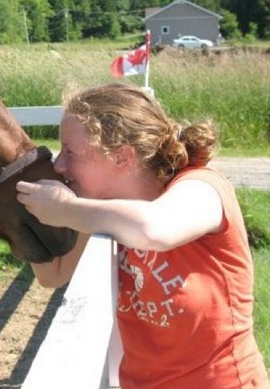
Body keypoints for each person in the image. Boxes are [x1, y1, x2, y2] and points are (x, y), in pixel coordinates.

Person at [16, 82, 269, 388]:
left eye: (70, 152)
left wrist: (64, 207)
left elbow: (153, 229)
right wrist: (20, 216)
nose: (59, 164)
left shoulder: (203, 188)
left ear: (122, 157)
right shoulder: (102, 210)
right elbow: (53, 274)